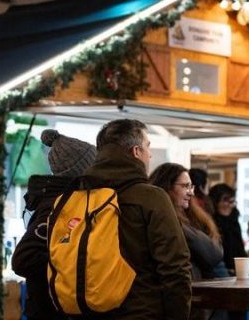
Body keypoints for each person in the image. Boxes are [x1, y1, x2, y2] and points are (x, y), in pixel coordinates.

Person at [81, 119, 191, 319]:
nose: (150, 154)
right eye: (147, 147)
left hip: (90, 311)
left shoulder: (81, 195)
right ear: (136, 152)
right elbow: (175, 267)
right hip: (141, 312)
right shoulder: (150, 197)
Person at [12, 129, 96, 320]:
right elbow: (23, 259)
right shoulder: (56, 206)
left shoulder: (69, 202)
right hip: (49, 310)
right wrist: (76, 264)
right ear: (82, 171)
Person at [149, 163, 225, 280]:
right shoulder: (163, 221)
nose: (191, 192)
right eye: (185, 186)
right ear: (167, 187)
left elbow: (214, 253)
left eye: (191, 186)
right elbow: (213, 254)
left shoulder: (194, 217)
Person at [209, 183, 248, 276]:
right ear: (215, 201)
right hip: (220, 272)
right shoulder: (210, 223)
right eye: (225, 200)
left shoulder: (234, 220)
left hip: (239, 271)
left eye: (232, 200)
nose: (229, 204)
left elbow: (240, 249)